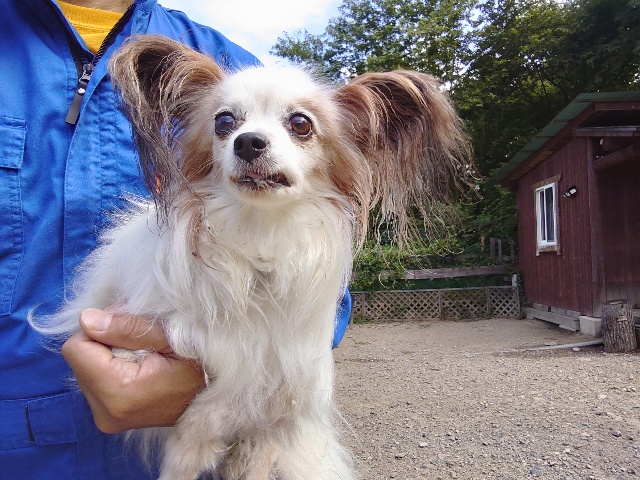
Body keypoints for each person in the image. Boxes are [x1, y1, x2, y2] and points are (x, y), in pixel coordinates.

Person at [0, 1, 351, 478]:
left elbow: (322, 296)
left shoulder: (231, 60)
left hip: (211, 456)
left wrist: (237, 382)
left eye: (298, 125)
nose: (248, 138)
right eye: (226, 124)